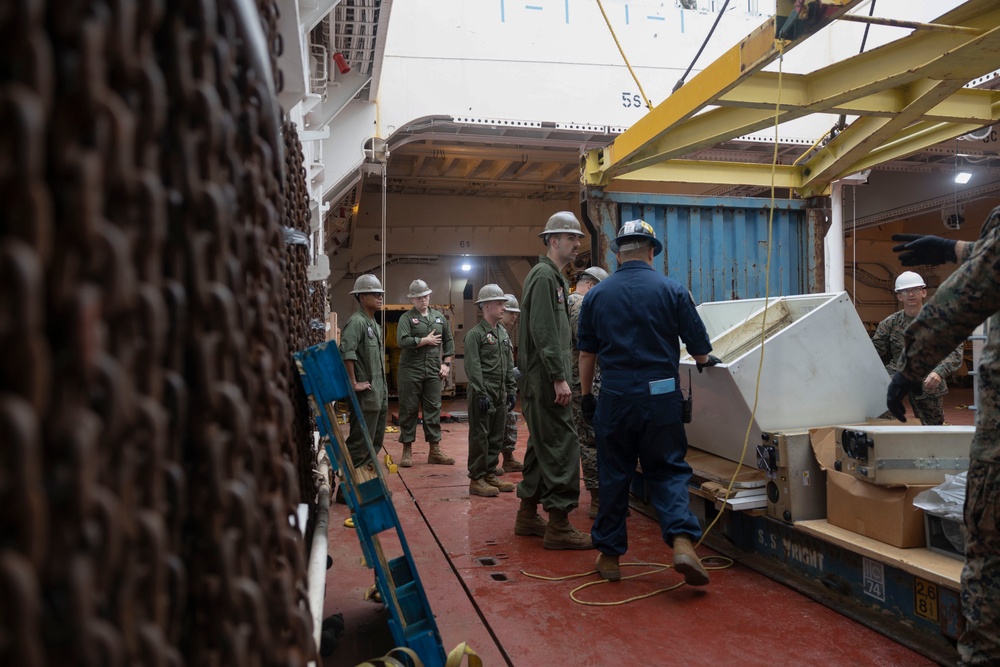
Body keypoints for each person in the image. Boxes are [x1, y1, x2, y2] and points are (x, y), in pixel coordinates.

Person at [576, 220, 720, 585]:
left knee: (614, 475)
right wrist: (705, 363)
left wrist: (587, 397)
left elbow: (586, 355)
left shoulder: (597, 295)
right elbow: (699, 347)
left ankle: (609, 557)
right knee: (668, 469)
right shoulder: (672, 290)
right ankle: (683, 542)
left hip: (616, 396)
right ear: (652, 251)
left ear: (619, 253)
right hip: (660, 396)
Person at [888, 217, 1000, 665]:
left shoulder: (927, 309)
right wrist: (956, 248)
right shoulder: (892, 320)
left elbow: (972, 290)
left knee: (990, 545)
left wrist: (910, 369)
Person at [514, 211, 593, 550]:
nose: (577, 243)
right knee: (562, 443)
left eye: (577, 237)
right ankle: (559, 524)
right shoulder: (545, 277)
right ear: (552, 241)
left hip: (543, 379)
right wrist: (560, 378)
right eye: (571, 237)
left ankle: (527, 513)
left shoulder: (554, 278)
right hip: (547, 380)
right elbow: (544, 332)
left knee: (540, 446)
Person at [871, 270, 963, 425]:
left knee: (931, 426)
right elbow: (873, 351)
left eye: (915, 290)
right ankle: (888, 434)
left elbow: (955, 351)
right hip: (898, 371)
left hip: (928, 373)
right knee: (880, 393)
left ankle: (931, 440)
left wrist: (939, 372)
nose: (911, 294)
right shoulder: (890, 323)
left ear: (924, 293)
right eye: (905, 291)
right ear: (899, 296)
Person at [464, 284, 518, 497]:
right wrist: (480, 392)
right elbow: (473, 365)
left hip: (500, 392)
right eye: (499, 303)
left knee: (496, 435)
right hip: (483, 393)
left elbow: (508, 363)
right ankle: (476, 479)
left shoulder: (502, 334)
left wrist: (511, 389)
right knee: (480, 436)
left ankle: (489, 473)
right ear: (486, 306)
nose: (503, 307)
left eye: (504, 303)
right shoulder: (475, 335)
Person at [396, 279, 455, 467]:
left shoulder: (439, 318)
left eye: (426, 295)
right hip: (410, 370)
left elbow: (449, 342)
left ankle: (435, 450)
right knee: (408, 409)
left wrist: (446, 364)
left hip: (432, 371)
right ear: (413, 299)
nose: (424, 299)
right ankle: (407, 450)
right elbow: (402, 341)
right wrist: (424, 340)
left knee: (433, 409)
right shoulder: (406, 318)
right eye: (420, 297)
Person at [568, 266, 609, 518]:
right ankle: (596, 499)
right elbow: (587, 345)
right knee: (590, 439)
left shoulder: (573, 302)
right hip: (583, 382)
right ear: (593, 286)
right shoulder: (579, 303)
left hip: (584, 379)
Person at [339, 274, 388, 473]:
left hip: (378, 394)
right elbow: (347, 353)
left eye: (380, 294)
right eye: (374, 294)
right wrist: (353, 382)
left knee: (375, 441)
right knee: (360, 442)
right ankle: (347, 487)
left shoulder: (374, 324)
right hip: (365, 395)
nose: (379, 297)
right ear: (361, 297)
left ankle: (366, 483)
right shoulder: (357, 322)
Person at [495, 293, 524, 475]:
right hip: (495, 388)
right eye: (511, 313)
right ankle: (488, 465)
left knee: (509, 423)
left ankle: (508, 459)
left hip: (506, 388)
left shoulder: (505, 333)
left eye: (516, 313)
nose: (515, 317)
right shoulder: (494, 332)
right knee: (494, 427)